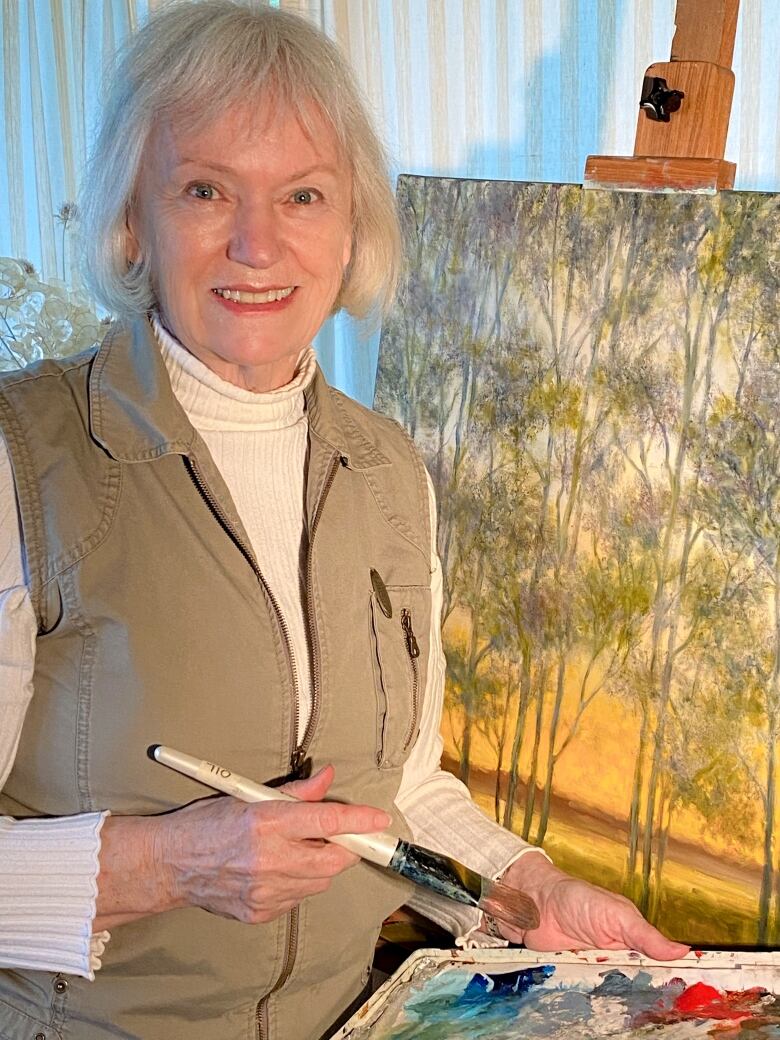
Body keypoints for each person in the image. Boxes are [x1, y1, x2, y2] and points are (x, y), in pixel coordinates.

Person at [0, 3, 688, 1038]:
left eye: (304, 194)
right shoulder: (23, 452)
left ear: (352, 222)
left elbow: (399, 788)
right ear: (133, 218)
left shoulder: (388, 468)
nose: (256, 241)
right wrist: (168, 862)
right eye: (204, 189)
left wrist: (528, 893)